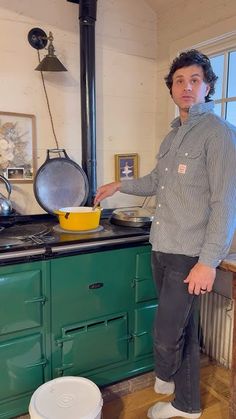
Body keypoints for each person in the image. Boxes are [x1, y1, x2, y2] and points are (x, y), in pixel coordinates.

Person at [94, 49, 236, 418]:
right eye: (179, 81)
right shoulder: (172, 137)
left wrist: (208, 262)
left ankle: (166, 379)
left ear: (207, 86)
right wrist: (118, 185)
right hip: (162, 246)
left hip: (190, 254)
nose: (186, 87)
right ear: (171, 89)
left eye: (194, 80)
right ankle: (187, 406)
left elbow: (225, 203)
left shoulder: (219, 134)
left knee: (166, 331)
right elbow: (156, 182)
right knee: (184, 328)